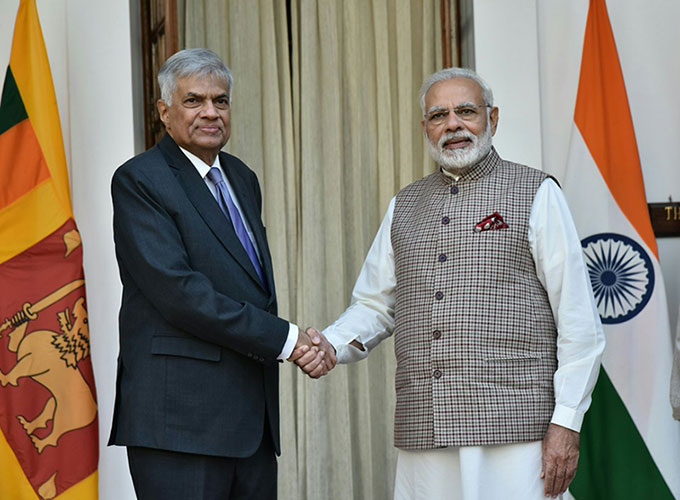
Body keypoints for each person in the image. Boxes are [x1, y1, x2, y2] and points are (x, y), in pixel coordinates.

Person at [295, 67, 605, 499]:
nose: (453, 125)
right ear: (425, 128)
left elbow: (579, 322)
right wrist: (331, 343)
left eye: (466, 112)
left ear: (492, 119)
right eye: (439, 116)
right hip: (426, 429)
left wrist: (567, 422)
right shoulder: (404, 205)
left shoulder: (536, 192)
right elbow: (375, 304)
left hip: (515, 432)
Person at [108, 48, 334, 500]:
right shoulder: (140, 180)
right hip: (179, 425)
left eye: (221, 101)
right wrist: (289, 341)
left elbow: (246, 286)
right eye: (194, 101)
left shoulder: (242, 178)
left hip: (249, 425)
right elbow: (181, 293)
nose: (210, 112)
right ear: (164, 111)